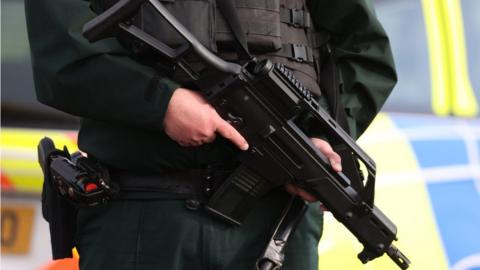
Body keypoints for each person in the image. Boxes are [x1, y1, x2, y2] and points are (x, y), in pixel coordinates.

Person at [25, 0, 397, 269]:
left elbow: (366, 53)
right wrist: (163, 103)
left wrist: (320, 137)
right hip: (142, 216)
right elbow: (63, 56)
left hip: (275, 224)